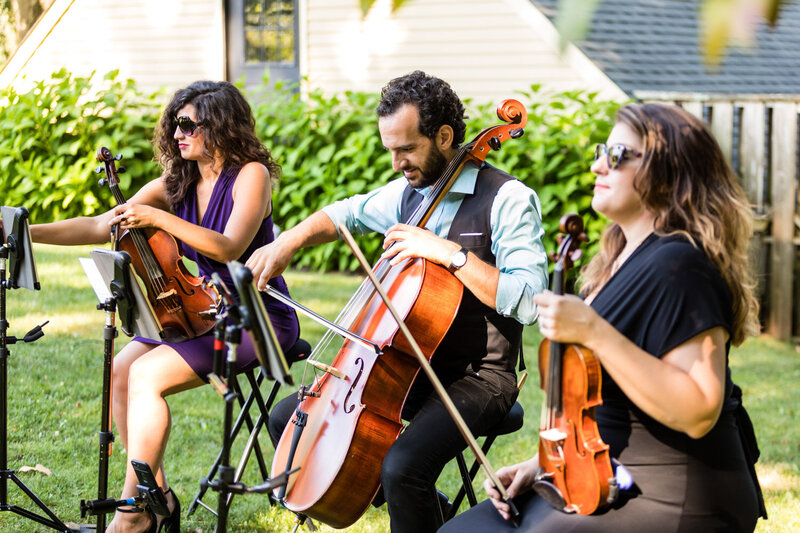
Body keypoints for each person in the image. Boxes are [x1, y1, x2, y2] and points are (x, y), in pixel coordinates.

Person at [440, 102, 767, 533]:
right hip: (598, 472)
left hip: (670, 491)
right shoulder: (618, 258)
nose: (597, 165)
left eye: (617, 155)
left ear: (669, 173)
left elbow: (699, 410)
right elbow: (600, 403)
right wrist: (540, 464)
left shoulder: (682, 264)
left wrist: (594, 331)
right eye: (601, 152)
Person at [245, 70, 548, 533]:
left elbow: (529, 301)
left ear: (444, 136)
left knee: (402, 467)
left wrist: (450, 254)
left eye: (406, 149)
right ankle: (433, 515)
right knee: (291, 420)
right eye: (390, 149)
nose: (395, 163)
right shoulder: (410, 194)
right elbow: (344, 213)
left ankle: (417, 502)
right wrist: (287, 242)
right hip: (405, 362)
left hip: (478, 376)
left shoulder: (507, 199)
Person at [30, 81, 299, 533]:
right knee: (122, 370)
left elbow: (229, 246)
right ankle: (158, 499)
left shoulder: (250, 174)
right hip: (200, 310)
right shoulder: (178, 183)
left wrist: (158, 217)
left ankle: (131, 515)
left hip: (256, 316)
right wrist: (23, 231)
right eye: (176, 124)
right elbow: (101, 225)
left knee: (147, 375)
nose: (178, 133)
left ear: (221, 125)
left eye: (189, 124)